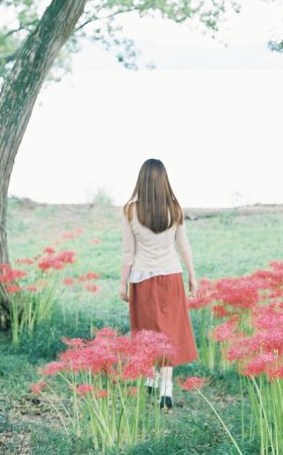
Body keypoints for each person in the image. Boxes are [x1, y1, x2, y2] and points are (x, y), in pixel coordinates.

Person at [120, 158, 198, 409]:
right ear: (164, 180)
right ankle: (166, 387)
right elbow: (183, 245)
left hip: (142, 278)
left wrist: (123, 283)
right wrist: (192, 275)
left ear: (140, 180)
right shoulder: (175, 208)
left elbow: (127, 252)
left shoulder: (130, 210)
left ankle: (150, 378)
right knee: (168, 332)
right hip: (171, 276)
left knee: (145, 331)